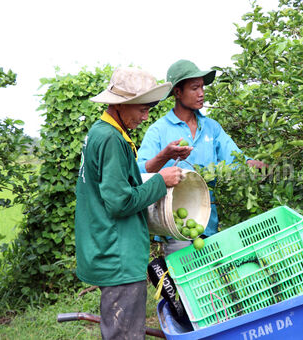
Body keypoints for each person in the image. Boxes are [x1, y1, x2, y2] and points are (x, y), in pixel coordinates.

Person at [75, 66, 183, 340]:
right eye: (141, 109)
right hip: (117, 254)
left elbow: (122, 178)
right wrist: (160, 182)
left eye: (150, 109)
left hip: (107, 246)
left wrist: (160, 161)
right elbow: (119, 202)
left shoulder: (102, 132)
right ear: (121, 105)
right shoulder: (111, 139)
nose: (146, 116)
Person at [137, 59, 266, 253]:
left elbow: (235, 158)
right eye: (195, 88)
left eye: (202, 87)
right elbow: (141, 171)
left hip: (207, 224)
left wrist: (251, 164)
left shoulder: (211, 128)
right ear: (178, 93)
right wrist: (165, 156)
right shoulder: (159, 130)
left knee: (211, 280)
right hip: (174, 226)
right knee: (185, 278)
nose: (201, 93)